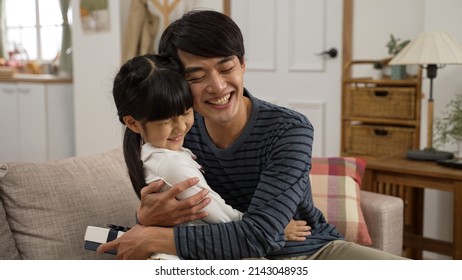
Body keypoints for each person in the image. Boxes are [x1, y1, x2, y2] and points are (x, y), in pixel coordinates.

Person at [98, 10, 406, 260]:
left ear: (243, 64)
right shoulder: (176, 134)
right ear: (178, 83)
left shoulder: (288, 130)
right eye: (197, 76)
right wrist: (147, 217)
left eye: (226, 67)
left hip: (312, 253)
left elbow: (258, 236)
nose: (217, 87)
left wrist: (155, 235)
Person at [110, 53, 310, 259]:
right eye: (166, 121)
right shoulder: (171, 164)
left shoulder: (160, 152)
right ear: (133, 123)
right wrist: (273, 229)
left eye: (186, 113)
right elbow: (219, 215)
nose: (180, 127)